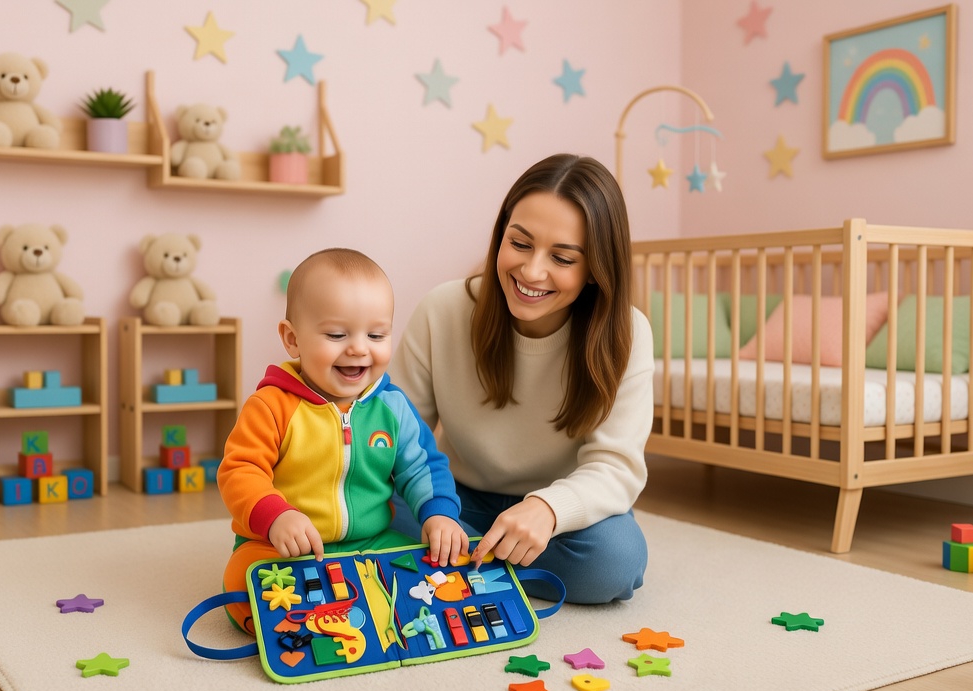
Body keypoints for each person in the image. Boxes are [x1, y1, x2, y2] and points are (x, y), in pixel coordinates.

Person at [389, 153, 652, 604]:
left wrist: (548, 508)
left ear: (595, 270)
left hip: (557, 514)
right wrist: (436, 512)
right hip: (451, 498)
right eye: (521, 243)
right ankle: (485, 559)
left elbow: (615, 468)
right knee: (371, 506)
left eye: (563, 257)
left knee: (615, 561)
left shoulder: (627, 333)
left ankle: (463, 563)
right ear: (501, 236)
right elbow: (396, 436)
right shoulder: (443, 310)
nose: (531, 272)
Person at [217, 248, 469, 631]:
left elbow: (424, 467)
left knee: (431, 577)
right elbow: (240, 470)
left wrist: (439, 514)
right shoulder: (271, 406)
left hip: (370, 542)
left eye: (376, 334)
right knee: (244, 587)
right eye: (336, 334)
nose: (358, 348)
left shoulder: (393, 407)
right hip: (282, 547)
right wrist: (276, 516)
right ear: (292, 339)